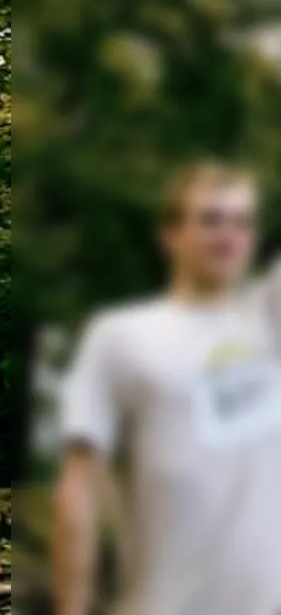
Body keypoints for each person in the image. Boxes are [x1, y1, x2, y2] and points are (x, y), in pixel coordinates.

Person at [53, 161, 281, 615]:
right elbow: (80, 488)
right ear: (171, 234)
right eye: (211, 220)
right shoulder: (122, 336)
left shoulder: (268, 327)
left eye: (241, 223)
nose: (227, 235)